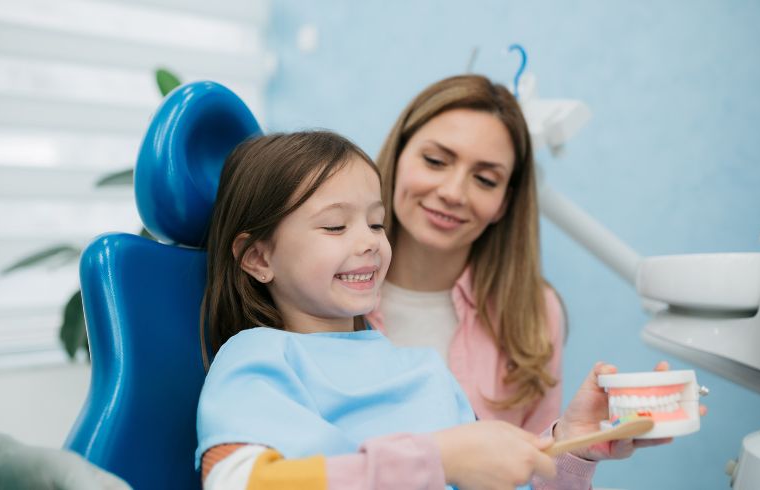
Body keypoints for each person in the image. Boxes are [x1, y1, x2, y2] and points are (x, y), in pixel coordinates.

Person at [195, 131, 572, 490]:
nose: (370, 242)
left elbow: (503, 478)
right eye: (335, 226)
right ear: (259, 258)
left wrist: (574, 447)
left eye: (376, 223)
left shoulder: (423, 370)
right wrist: (435, 460)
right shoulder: (260, 357)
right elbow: (235, 481)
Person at [366, 73, 678, 480]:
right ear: (398, 156)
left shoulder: (533, 313)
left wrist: (575, 448)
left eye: (485, 179)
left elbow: (536, 479)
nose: (453, 192)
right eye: (436, 161)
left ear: (503, 203)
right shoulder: (317, 289)